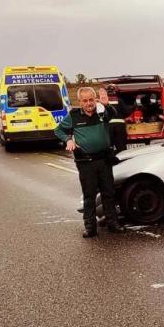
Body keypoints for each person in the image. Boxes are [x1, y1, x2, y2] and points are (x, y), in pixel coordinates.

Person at [55, 87, 125, 238]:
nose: (88, 103)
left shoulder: (102, 113)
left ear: (95, 100)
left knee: (109, 193)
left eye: (91, 99)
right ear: (80, 102)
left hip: (104, 160)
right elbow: (58, 130)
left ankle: (113, 223)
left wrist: (107, 105)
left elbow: (113, 114)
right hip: (86, 162)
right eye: (85, 100)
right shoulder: (73, 116)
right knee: (89, 195)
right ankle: (90, 227)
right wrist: (68, 140)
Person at [99, 84, 128, 153]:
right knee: (121, 147)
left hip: (109, 127)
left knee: (110, 146)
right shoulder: (119, 100)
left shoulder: (103, 101)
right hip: (120, 127)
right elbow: (126, 111)